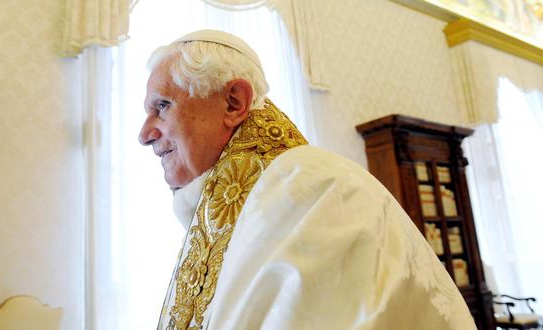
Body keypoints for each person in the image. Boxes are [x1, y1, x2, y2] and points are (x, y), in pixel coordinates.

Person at [138, 29, 476, 330]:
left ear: (233, 102)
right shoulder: (234, 204)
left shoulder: (316, 188)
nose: (145, 134)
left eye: (163, 106)